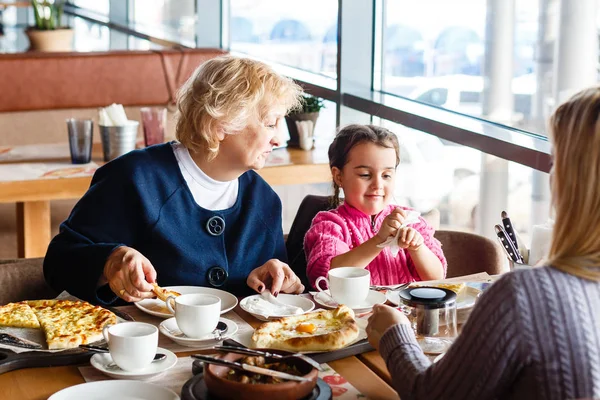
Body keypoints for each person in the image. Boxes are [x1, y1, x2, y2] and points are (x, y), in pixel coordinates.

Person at [366, 88, 600, 400]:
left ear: (574, 182)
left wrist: (395, 334)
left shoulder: (524, 295)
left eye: (557, 160)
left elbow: (432, 395)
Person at [44, 56, 306, 304]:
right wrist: (108, 261)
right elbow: (58, 262)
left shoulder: (264, 200)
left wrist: (274, 279)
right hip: (145, 345)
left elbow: (266, 297)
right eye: (271, 124)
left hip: (236, 348)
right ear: (221, 124)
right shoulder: (134, 178)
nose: (279, 139)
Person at [304, 124, 446, 289]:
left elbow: (438, 278)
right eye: (365, 175)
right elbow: (325, 276)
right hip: (350, 314)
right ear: (339, 176)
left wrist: (417, 248)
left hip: (405, 314)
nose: (378, 184)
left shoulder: (410, 220)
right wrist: (379, 240)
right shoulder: (330, 225)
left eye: (386, 175)